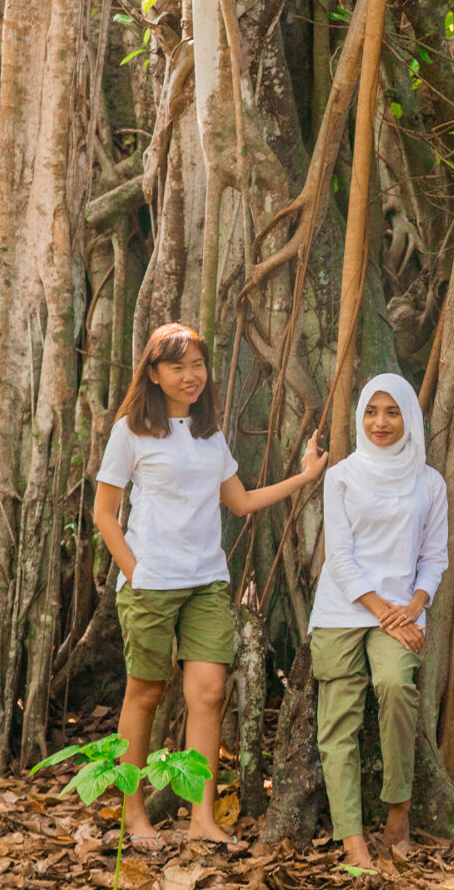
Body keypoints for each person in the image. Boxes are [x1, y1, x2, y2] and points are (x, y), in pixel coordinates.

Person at [93, 322, 326, 851]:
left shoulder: (209, 434)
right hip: (152, 584)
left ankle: (200, 817)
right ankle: (134, 815)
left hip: (206, 582)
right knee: (145, 692)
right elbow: (104, 513)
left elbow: (239, 502)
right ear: (153, 373)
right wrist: (135, 571)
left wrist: (304, 477)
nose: (190, 375)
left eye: (197, 364)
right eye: (177, 366)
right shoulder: (130, 431)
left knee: (210, 693)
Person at [309, 374, 447, 870]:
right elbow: (340, 557)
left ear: (409, 417)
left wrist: (414, 602)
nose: (381, 422)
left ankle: (399, 810)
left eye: (392, 412)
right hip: (343, 610)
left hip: (401, 613)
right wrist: (386, 612)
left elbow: (434, 557)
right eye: (371, 411)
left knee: (394, 687)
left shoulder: (428, 481)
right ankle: (352, 837)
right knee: (338, 722)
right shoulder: (342, 475)